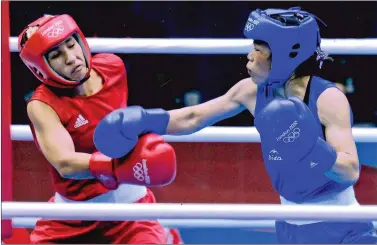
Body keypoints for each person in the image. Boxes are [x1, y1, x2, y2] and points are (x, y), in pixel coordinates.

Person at [93, 7, 377, 244]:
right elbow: (194, 117)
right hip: (291, 225)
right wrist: (145, 120)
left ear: (286, 53)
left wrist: (311, 149)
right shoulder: (252, 91)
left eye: (257, 48)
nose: (249, 56)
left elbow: (350, 169)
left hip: (344, 227)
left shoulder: (327, 99)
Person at [18, 14, 182, 244]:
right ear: (40, 68)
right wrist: (120, 167)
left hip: (130, 211)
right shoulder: (42, 104)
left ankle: (162, 233)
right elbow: (65, 163)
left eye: (71, 44)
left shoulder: (112, 67)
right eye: (56, 55)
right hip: (71, 218)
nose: (71, 58)